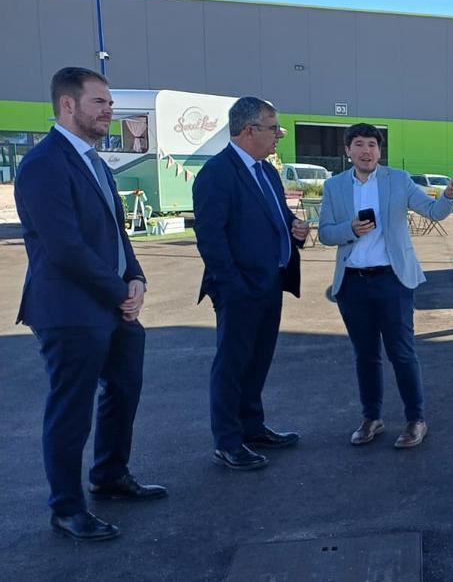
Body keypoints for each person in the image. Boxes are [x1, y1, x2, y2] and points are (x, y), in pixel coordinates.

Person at [15, 67, 166, 542]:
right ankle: (66, 508)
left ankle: (110, 476)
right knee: (71, 410)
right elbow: (65, 247)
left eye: (109, 103)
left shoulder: (97, 163)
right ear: (67, 105)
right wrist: (120, 292)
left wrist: (136, 277)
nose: (109, 111)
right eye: (100, 102)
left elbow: (117, 233)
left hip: (114, 304)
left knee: (124, 390)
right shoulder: (43, 164)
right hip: (69, 311)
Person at [319, 123, 453, 448]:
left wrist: (449, 197)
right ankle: (372, 417)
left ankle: (415, 420)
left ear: (379, 151)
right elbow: (326, 232)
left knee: (402, 353)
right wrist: (351, 228)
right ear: (348, 151)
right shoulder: (334, 186)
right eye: (359, 144)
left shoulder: (398, 179)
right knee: (365, 355)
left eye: (372, 144)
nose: (366, 150)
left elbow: (432, 211)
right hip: (352, 283)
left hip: (392, 280)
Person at [192, 97, 309, 471]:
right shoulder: (217, 173)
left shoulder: (267, 172)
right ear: (248, 131)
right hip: (239, 288)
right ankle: (228, 441)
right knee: (232, 364)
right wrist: (232, 286)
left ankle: (252, 427)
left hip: (270, 282)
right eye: (274, 127)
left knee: (258, 360)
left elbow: (280, 216)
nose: (279, 135)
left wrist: (296, 230)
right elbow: (211, 238)